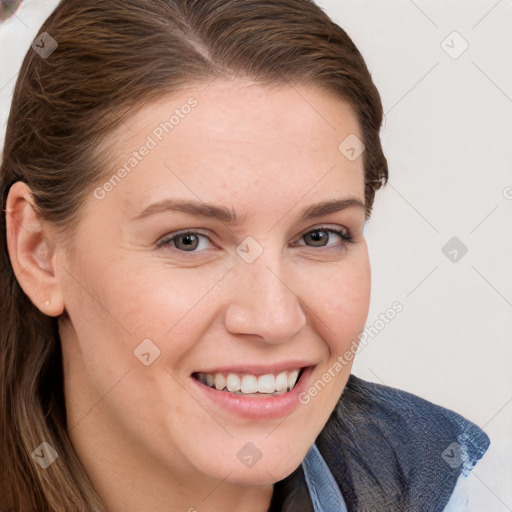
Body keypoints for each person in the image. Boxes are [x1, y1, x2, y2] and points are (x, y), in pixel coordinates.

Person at [0, 1, 489, 510]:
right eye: (188, 240)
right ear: (40, 252)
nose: (274, 319)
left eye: (320, 236)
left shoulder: (456, 484)